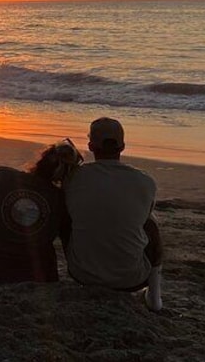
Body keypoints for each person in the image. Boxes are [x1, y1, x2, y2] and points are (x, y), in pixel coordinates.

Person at [62, 117, 164, 311]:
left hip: (82, 273)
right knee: (149, 224)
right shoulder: (145, 181)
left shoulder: (73, 177)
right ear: (122, 146)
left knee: (67, 215)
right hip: (130, 279)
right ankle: (154, 296)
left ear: (91, 145)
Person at [0, 139, 83, 292]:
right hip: (34, 278)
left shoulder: (3, 175)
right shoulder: (60, 200)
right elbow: (67, 243)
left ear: (41, 158)